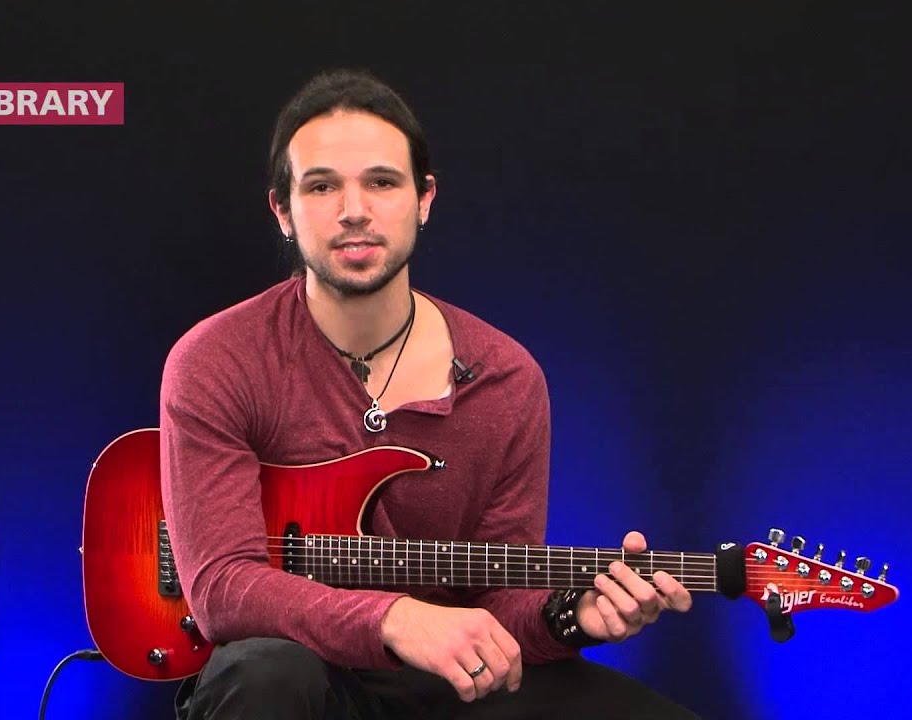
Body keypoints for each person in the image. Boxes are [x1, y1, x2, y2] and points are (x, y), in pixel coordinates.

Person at [158, 68, 700, 719]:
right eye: (322, 185)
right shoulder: (216, 359)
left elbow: (499, 602)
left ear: (424, 199)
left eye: (382, 182)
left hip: (451, 681)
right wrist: (394, 619)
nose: (353, 210)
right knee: (263, 674)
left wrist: (570, 615)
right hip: (298, 676)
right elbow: (223, 587)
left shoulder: (505, 378)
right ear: (282, 210)